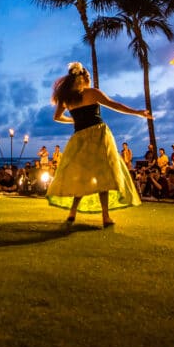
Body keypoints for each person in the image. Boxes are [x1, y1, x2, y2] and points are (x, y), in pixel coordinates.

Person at [46, 61, 146, 227]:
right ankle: (105, 216)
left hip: (79, 138)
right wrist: (137, 112)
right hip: (98, 136)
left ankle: (72, 213)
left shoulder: (68, 98)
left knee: (82, 177)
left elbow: (57, 117)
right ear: (84, 77)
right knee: (103, 176)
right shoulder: (92, 93)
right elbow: (116, 105)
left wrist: (72, 119)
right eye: (89, 76)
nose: (90, 79)